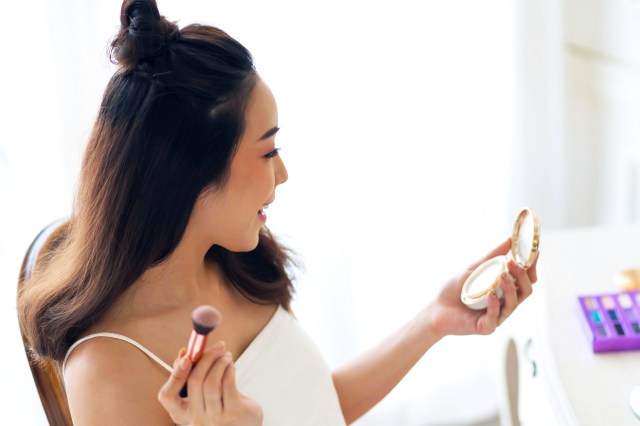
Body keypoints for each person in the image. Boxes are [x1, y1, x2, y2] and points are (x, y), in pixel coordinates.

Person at [17, 1, 538, 425]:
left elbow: (314, 405)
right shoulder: (108, 371)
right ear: (188, 175)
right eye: (267, 152)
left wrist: (433, 320)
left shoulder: (235, 263)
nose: (282, 174)